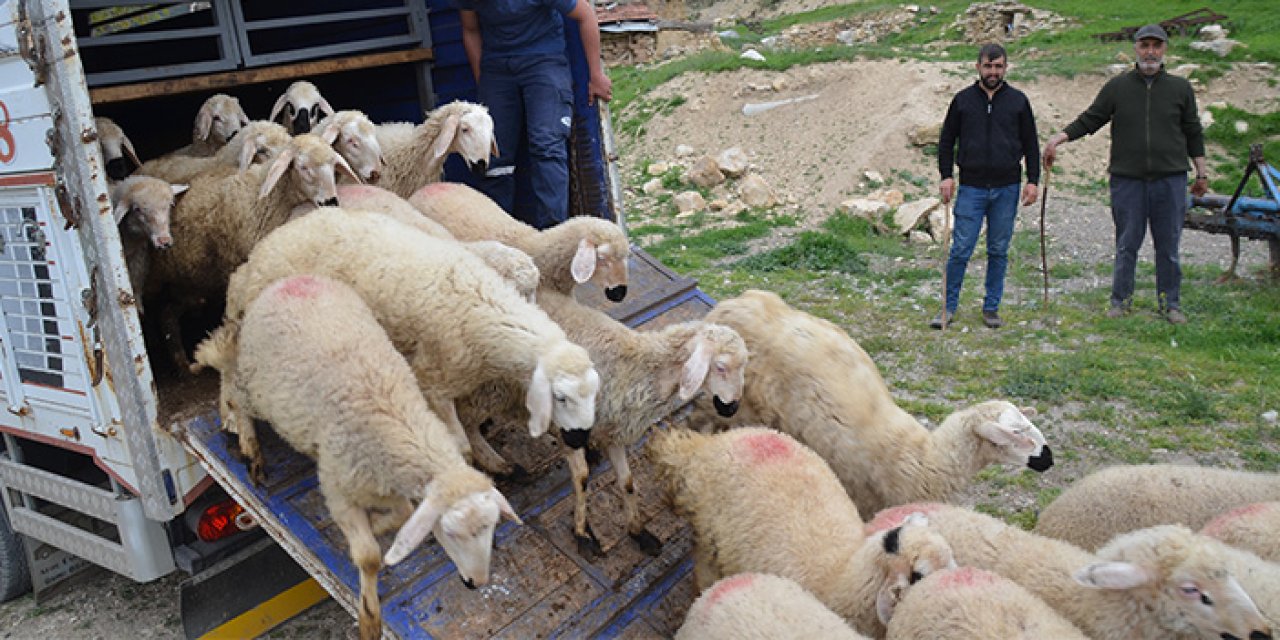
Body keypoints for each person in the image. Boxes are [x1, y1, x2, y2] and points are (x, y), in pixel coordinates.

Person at [1043, 24, 1208, 325]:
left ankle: (1170, 304)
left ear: (1164, 50)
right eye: (1144, 45)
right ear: (1135, 48)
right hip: (1127, 179)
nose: (1150, 52)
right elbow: (1091, 119)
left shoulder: (1180, 88)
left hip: (1170, 179)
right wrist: (1059, 138)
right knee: (1126, 243)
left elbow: (1193, 131)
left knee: (1168, 247)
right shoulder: (1117, 87)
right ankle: (1121, 301)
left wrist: (1201, 173)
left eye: (1156, 46)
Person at [458, 0, 613, 230]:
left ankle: (552, 236)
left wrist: (596, 75)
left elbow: (586, 15)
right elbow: (470, 29)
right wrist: (485, 83)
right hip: (497, 67)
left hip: (544, 61)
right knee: (491, 154)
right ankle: (497, 237)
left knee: (546, 144)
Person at [934, 43, 1040, 330]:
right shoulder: (962, 100)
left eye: (998, 66)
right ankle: (947, 307)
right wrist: (946, 175)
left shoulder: (1018, 101)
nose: (993, 72)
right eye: (988, 66)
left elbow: (1031, 142)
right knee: (961, 249)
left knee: (998, 249)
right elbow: (946, 141)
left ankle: (991, 308)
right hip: (971, 187)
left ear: (1005, 68)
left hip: (1007, 187)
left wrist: (1033, 180)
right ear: (977, 67)